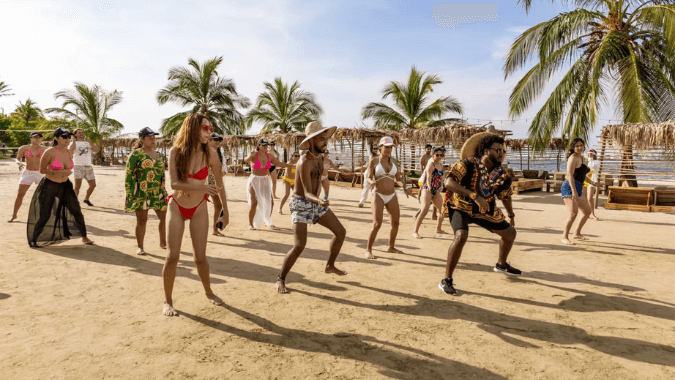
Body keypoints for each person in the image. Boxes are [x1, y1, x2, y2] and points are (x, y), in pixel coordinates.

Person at [162, 114, 229, 317]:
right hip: (177, 206)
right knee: (172, 256)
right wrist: (201, 186)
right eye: (205, 128)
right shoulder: (176, 152)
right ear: (192, 129)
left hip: (199, 206)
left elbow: (219, 185)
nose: (209, 132)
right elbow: (173, 184)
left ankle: (208, 291)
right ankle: (168, 301)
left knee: (200, 258)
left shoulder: (211, 154)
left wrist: (225, 212)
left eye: (210, 129)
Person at [440, 133, 520, 296]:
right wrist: (474, 196)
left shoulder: (502, 174)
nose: (501, 153)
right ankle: (446, 280)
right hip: (460, 205)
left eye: (503, 151)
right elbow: (448, 182)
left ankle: (501, 264)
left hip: (485, 208)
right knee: (461, 235)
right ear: (485, 150)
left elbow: (505, 195)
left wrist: (511, 215)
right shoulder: (467, 164)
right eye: (497, 150)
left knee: (510, 233)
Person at [276, 121, 347, 293]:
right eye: (321, 139)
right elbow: (307, 192)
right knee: (300, 246)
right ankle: (281, 279)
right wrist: (320, 201)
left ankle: (330, 265)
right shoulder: (304, 162)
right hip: (301, 202)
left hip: (316, 202)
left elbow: (319, 181)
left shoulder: (321, 158)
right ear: (312, 140)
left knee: (340, 232)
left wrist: (320, 200)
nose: (325, 142)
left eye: (326, 139)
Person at [27, 127, 94, 248]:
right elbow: (42, 170)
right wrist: (57, 172)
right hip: (50, 185)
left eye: (69, 137)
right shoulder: (50, 152)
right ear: (56, 138)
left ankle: (84, 236)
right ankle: (34, 239)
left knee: (76, 210)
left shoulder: (69, 152)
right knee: (45, 214)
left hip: (66, 185)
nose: (67, 139)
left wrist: (65, 172)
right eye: (64, 137)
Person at [124, 127, 168, 255]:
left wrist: (163, 189)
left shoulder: (158, 154)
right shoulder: (136, 154)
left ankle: (163, 242)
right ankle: (140, 247)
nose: (153, 140)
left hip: (158, 192)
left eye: (154, 137)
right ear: (142, 139)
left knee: (164, 217)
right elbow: (128, 174)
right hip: (141, 192)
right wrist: (130, 193)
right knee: (142, 220)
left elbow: (162, 174)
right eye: (150, 137)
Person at [364, 136, 405, 259]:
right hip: (378, 194)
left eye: (391, 147)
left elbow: (397, 180)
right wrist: (371, 182)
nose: (389, 149)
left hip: (391, 194)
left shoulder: (395, 162)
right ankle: (368, 250)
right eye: (386, 147)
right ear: (381, 147)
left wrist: (404, 186)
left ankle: (391, 247)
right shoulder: (374, 161)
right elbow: (368, 177)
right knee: (377, 224)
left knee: (396, 222)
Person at [561, 138, 604, 245]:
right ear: (573, 147)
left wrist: (594, 183)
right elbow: (570, 175)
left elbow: (583, 176)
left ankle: (576, 233)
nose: (579, 148)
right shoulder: (572, 158)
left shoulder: (582, 158)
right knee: (573, 213)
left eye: (581, 145)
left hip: (579, 188)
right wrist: (574, 191)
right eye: (577, 146)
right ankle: (564, 237)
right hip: (569, 188)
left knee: (587, 211)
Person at [243, 138, 293, 230]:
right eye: (263, 145)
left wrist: (293, 165)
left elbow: (280, 164)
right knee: (254, 202)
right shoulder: (254, 154)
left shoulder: (269, 156)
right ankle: (250, 224)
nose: (265, 146)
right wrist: (249, 156)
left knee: (270, 202)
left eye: (266, 145)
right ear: (258, 146)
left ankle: (267, 220)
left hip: (265, 180)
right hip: (254, 180)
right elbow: (245, 160)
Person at [9, 132, 45, 222]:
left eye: (39, 138)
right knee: (20, 194)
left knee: (46, 195)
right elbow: (18, 158)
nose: (37, 139)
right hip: (28, 172)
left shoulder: (45, 149)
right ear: (31, 138)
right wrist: (19, 163)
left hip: (40, 173)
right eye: (35, 137)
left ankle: (49, 216)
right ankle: (14, 215)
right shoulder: (24, 148)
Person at [412, 146, 448, 238]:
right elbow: (428, 176)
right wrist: (429, 186)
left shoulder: (440, 165)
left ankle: (438, 229)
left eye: (441, 155)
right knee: (424, 210)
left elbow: (441, 178)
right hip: (427, 188)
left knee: (442, 210)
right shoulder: (431, 164)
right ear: (433, 155)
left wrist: (441, 186)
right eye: (437, 155)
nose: (439, 156)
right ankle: (415, 231)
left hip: (436, 190)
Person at [69, 128, 100, 206]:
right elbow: (70, 151)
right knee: (77, 186)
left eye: (82, 132)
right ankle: (74, 202)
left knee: (93, 185)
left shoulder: (88, 143)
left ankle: (86, 199)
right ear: (75, 134)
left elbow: (96, 150)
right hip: (78, 166)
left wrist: (91, 142)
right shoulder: (73, 143)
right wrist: (73, 142)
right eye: (79, 132)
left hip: (88, 166)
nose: (81, 133)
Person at [208, 132, 227, 236]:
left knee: (218, 205)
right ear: (209, 141)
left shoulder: (220, 153)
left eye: (220, 140)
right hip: (203, 182)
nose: (218, 142)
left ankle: (215, 230)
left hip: (213, 182)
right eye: (216, 140)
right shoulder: (204, 153)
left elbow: (223, 169)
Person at [417, 144, 438, 219]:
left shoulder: (435, 160)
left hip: (433, 179)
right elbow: (422, 167)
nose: (428, 150)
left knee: (434, 196)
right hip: (426, 177)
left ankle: (434, 214)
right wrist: (422, 174)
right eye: (427, 149)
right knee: (429, 199)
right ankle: (419, 212)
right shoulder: (426, 158)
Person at [585, 149, 601, 220]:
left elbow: (594, 168)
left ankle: (592, 213)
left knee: (589, 198)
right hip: (585, 180)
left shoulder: (596, 162)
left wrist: (590, 160)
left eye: (591, 154)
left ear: (594, 155)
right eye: (588, 154)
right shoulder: (586, 161)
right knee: (584, 198)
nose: (589, 156)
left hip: (592, 180)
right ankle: (586, 213)